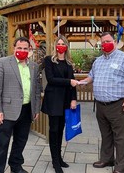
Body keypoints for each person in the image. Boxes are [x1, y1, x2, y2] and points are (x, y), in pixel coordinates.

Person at [79, 32, 124, 173]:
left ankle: (119, 167)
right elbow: (91, 76)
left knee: (121, 137)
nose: (105, 44)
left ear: (114, 41)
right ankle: (107, 159)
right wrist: (82, 82)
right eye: (102, 42)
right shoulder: (98, 61)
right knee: (106, 134)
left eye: (108, 41)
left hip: (118, 105)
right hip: (101, 105)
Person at [0, 37, 41, 173]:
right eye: (19, 48)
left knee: (21, 141)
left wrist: (36, 109)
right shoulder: (3, 63)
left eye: (25, 48)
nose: (22, 51)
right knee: (2, 143)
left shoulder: (34, 66)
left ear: (29, 50)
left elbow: (36, 89)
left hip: (26, 110)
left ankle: (16, 166)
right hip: (7, 111)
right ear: (14, 48)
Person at [41, 35, 77, 173]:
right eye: (59, 43)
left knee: (61, 130)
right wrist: (68, 82)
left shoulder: (68, 63)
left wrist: (74, 99)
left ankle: (59, 157)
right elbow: (51, 79)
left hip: (66, 101)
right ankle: (55, 161)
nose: (61, 45)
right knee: (54, 130)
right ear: (55, 45)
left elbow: (73, 82)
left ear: (66, 46)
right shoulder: (49, 60)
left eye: (63, 43)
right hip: (54, 100)